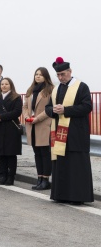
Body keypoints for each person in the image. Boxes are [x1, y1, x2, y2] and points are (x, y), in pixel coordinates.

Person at [45, 57, 93, 204]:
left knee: (76, 166)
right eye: (58, 75)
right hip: (59, 133)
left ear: (70, 72)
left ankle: (78, 197)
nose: (60, 77)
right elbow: (47, 108)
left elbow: (86, 107)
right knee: (61, 165)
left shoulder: (81, 86)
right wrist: (53, 110)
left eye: (63, 74)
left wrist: (65, 110)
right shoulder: (56, 89)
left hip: (76, 134)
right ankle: (61, 195)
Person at [22, 67, 54, 190]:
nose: (38, 76)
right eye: (36, 74)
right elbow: (25, 106)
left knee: (45, 153)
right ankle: (39, 178)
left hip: (44, 124)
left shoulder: (50, 90)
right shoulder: (30, 90)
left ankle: (46, 179)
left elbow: (50, 108)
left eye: (40, 75)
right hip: (32, 125)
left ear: (46, 76)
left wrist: (37, 118)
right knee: (37, 153)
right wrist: (26, 116)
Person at [0, 77, 22, 186]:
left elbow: (17, 112)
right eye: (2, 84)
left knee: (10, 154)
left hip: (10, 129)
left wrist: (1, 117)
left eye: (6, 84)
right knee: (1, 153)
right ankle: (2, 175)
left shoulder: (16, 98)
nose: (4, 86)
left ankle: (10, 177)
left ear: (10, 85)